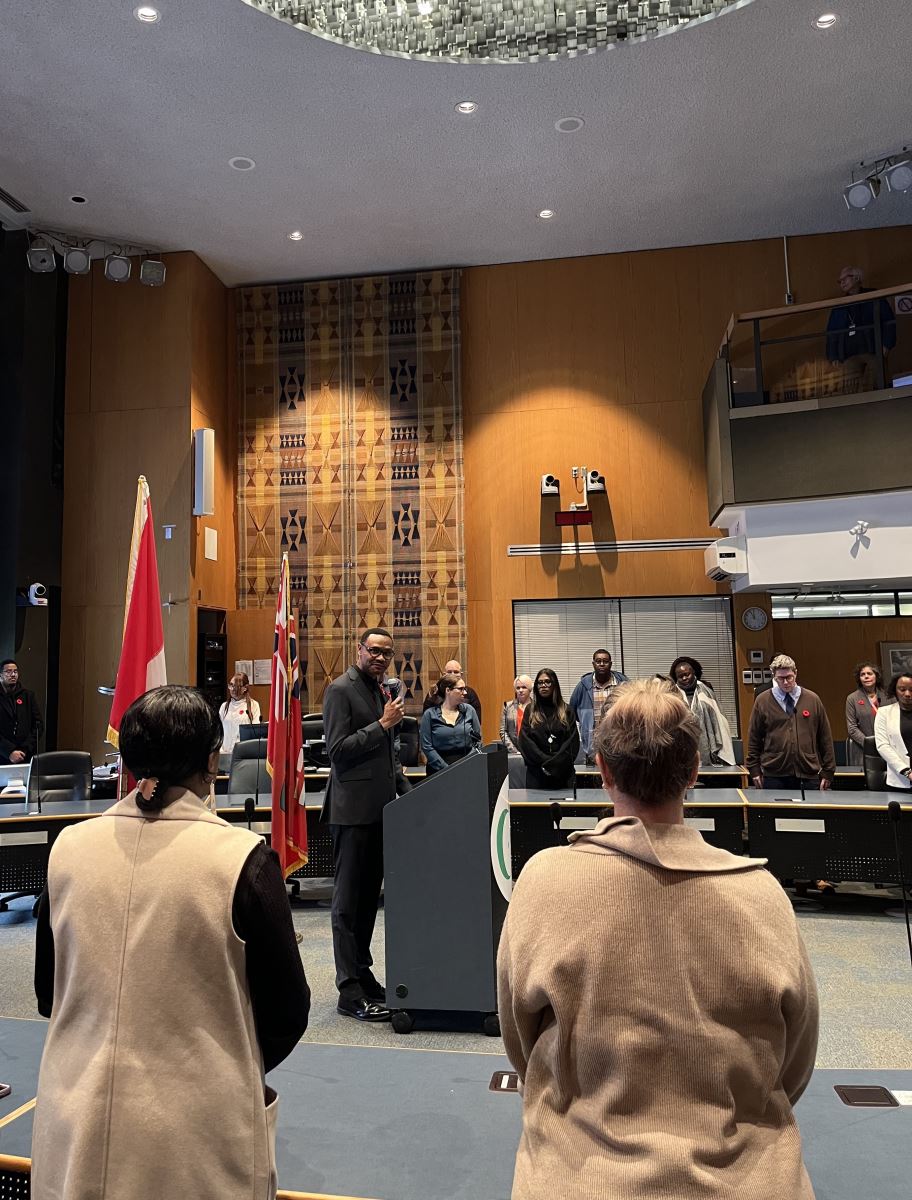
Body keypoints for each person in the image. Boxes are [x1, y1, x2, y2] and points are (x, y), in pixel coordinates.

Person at [497, 678, 819, 1200]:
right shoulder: (763, 894)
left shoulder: (542, 879)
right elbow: (795, 1060)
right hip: (749, 1180)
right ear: (694, 771)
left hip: (578, 1179)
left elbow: (520, 1041)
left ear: (601, 770)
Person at [31, 685, 310, 1200]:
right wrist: (220, 1061)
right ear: (211, 761)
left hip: (74, 1115)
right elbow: (288, 1011)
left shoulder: (66, 848)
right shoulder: (243, 858)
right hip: (194, 1128)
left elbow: (48, 995)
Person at [322, 628, 411, 1022]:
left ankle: (363, 971)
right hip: (351, 812)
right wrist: (382, 724)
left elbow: (385, 754)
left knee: (367, 902)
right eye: (374, 650)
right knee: (346, 905)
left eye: (387, 653)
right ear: (359, 650)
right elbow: (338, 751)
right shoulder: (340, 690)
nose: (380, 658)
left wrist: (405, 789)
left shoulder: (380, 690)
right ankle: (348, 989)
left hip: (380, 811)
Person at [747, 654, 835, 792]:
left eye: (789, 677)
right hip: (774, 773)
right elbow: (754, 737)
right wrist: (754, 769)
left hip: (808, 772)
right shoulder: (762, 701)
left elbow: (825, 737)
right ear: (774, 677)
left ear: (795, 673)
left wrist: (829, 770)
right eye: (781, 678)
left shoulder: (812, 699)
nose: (786, 682)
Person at [518, 669, 580, 790]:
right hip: (536, 774)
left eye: (547, 682)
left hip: (563, 774)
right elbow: (525, 741)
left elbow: (572, 743)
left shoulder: (567, 710)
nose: (543, 685)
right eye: (540, 683)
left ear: (554, 685)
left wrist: (554, 765)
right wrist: (545, 762)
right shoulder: (530, 710)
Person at [669, 655, 735, 766]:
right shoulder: (673, 694)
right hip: (682, 745)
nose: (684, 678)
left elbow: (719, 719)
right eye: (680, 676)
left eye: (687, 674)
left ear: (694, 673)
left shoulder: (707, 691)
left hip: (706, 744)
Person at [825, 265, 896, 367]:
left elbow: (889, 321)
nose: (842, 283)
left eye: (845, 278)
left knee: (876, 381)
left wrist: (887, 345)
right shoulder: (839, 305)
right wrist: (833, 357)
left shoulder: (874, 296)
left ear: (857, 278)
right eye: (840, 281)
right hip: (848, 357)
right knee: (852, 382)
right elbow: (832, 333)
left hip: (873, 351)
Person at [569, 650, 628, 765]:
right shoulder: (583, 686)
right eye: (598, 661)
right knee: (593, 781)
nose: (601, 664)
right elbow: (572, 712)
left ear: (610, 664)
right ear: (593, 664)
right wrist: (585, 723)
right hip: (593, 745)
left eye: (605, 661)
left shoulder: (623, 684)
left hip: (619, 744)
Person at [419, 676, 481, 774]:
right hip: (438, 771)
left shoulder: (469, 710)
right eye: (461, 689)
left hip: (467, 768)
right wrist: (447, 769)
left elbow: (478, 741)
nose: (465, 692)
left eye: (465, 689)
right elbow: (426, 746)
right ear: (448, 690)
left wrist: (467, 763)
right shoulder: (430, 714)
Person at [0, 659, 44, 765]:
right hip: (3, 754)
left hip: (25, 755)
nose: (13, 674)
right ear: (1, 675)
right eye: (9, 672)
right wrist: (9, 751)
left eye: (15, 671)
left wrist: (24, 749)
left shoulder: (28, 696)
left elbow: (38, 726)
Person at [874, 672, 912, 791]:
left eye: (911, 689)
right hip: (899, 778)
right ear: (895, 690)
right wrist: (906, 771)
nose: (907, 694)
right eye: (902, 689)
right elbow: (883, 746)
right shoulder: (884, 713)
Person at [845, 661, 888, 766]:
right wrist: (870, 745)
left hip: (889, 748)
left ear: (876, 676)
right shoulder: (852, 698)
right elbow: (852, 728)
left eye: (869, 674)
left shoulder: (888, 696)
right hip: (863, 750)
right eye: (862, 674)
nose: (866, 677)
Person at [218, 671, 262, 771]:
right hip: (225, 755)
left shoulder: (254, 705)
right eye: (231, 685)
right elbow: (218, 731)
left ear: (245, 688)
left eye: (236, 686)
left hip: (244, 755)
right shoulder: (224, 707)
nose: (233, 689)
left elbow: (254, 731)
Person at [422, 658, 482, 723]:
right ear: (444, 674)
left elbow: (477, 721)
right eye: (449, 672)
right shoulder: (433, 693)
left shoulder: (470, 693)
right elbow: (426, 720)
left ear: (461, 675)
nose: (452, 674)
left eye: (456, 672)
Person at [500, 675, 532, 752]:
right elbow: (503, 732)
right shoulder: (507, 706)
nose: (520, 690)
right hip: (513, 751)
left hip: (533, 751)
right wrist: (513, 750)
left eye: (524, 687)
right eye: (518, 688)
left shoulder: (537, 707)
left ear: (530, 689)